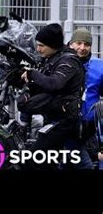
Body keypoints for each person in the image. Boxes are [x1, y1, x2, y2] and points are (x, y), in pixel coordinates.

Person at [19, 23, 85, 169]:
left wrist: (32, 74)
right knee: (48, 163)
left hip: (65, 120)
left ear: (52, 45)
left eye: (41, 45)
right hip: (54, 117)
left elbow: (55, 83)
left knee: (34, 160)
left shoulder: (68, 61)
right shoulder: (52, 58)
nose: (38, 49)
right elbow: (44, 84)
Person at [67, 28, 103, 169]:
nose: (82, 48)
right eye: (79, 43)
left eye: (86, 44)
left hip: (89, 126)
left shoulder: (98, 67)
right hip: (66, 124)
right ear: (71, 44)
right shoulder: (62, 63)